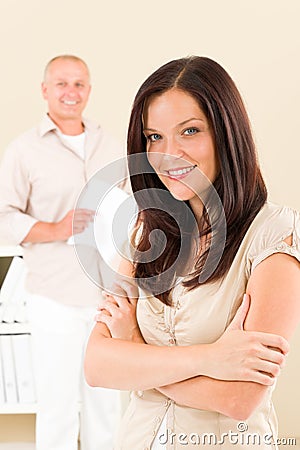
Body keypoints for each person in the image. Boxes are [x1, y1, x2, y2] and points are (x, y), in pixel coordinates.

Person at [84, 56, 300, 450]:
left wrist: (134, 351)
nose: (169, 154)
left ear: (226, 133)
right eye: (154, 138)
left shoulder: (274, 235)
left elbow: (239, 398)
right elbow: (97, 366)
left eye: (190, 131)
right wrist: (211, 360)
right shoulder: (144, 235)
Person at [0, 55, 125, 450]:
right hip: (54, 295)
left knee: (107, 402)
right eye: (61, 84)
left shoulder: (111, 142)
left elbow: (135, 202)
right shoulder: (23, 150)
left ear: (89, 90)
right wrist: (56, 228)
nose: (71, 92)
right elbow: (3, 215)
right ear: (45, 91)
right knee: (56, 404)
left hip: (109, 294)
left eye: (79, 84)